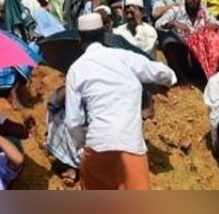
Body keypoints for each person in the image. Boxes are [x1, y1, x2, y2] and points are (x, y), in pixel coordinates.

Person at [65, 12, 177, 189]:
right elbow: (161, 73)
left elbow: (73, 122)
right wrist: (169, 79)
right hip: (130, 144)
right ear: (104, 34)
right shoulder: (124, 57)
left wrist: (82, 146)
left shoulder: (76, 69)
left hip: (97, 146)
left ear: (80, 39)